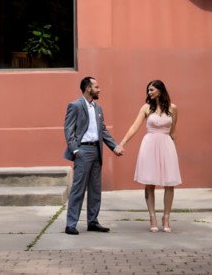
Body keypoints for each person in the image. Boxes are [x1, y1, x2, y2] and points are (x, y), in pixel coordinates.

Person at [117, 80, 182, 232]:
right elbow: (134, 126)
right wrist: (122, 143)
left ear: (160, 90)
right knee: (149, 183)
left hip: (167, 146)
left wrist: (173, 152)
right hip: (149, 146)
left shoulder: (173, 108)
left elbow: (173, 132)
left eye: (151, 90)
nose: (149, 93)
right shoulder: (146, 108)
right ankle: (152, 216)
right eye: (148, 90)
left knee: (169, 183)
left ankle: (166, 217)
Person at [63, 76, 123, 235]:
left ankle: (93, 221)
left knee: (95, 189)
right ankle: (71, 224)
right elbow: (69, 130)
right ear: (88, 88)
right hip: (83, 151)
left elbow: (103, 130)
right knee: (78, 189)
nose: (99, 89)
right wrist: (75, 150)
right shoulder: (75, 106)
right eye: (97, 86)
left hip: (97, 150)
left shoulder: (98, 108)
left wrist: (114, 146)